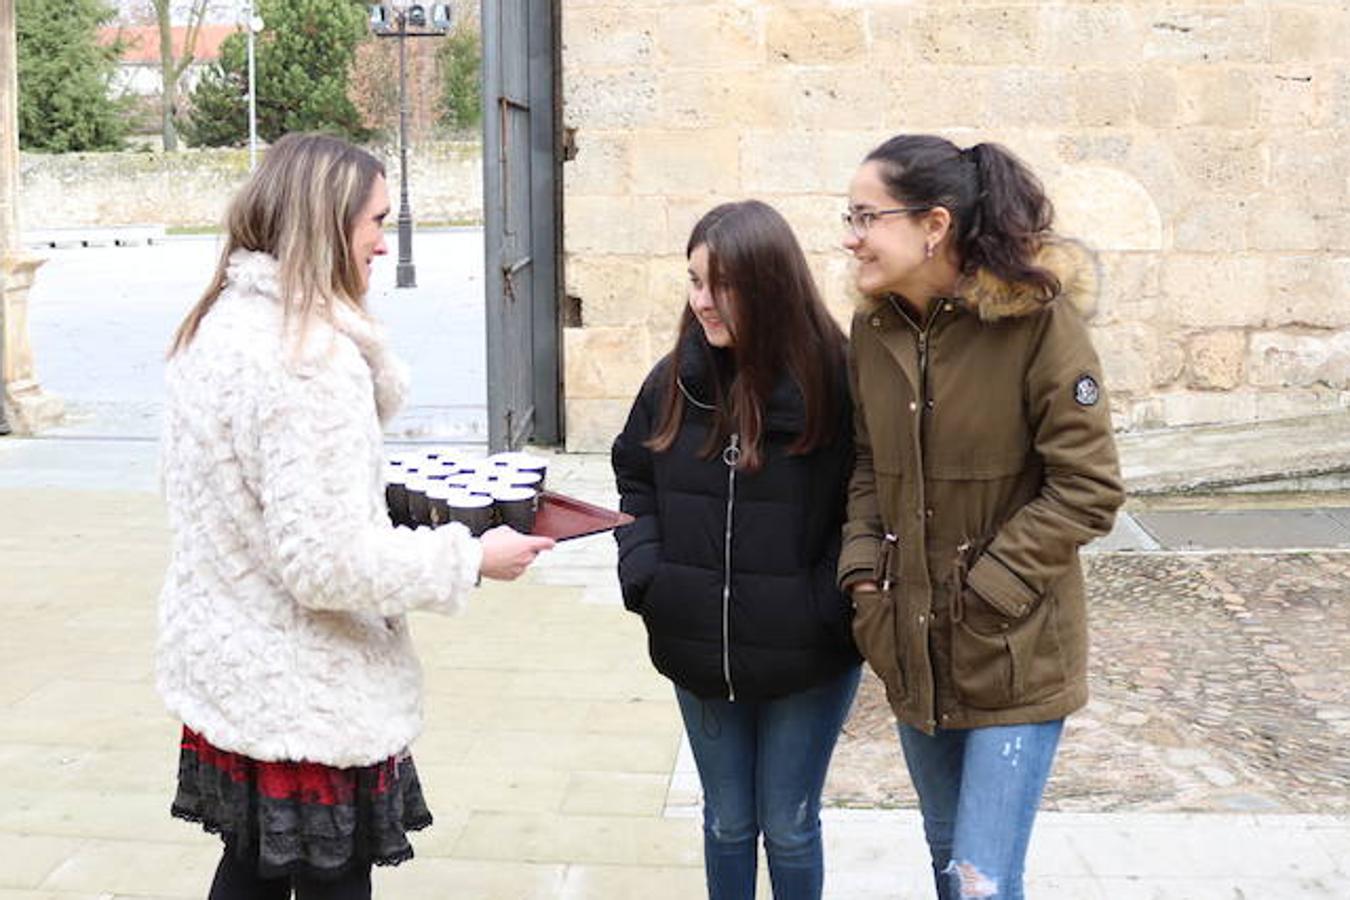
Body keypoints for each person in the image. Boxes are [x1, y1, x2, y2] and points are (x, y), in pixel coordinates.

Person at [156, 132, 554, 899]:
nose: (381, 240)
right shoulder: (310, 359)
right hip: (308, 690)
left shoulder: (216, 327)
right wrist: (470, 558)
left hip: (237, 670)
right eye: (375, 220)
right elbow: (326, 564)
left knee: (252, 874)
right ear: (326, 223)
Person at [837, 135, 1125, 900]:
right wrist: (864, 575)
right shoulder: (874, 331)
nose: (850, 235)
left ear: (933, 225)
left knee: (981, 880)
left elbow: (1089, 486)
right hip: (913, 648)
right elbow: (866, 463)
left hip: (1014, 647)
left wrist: (990, 586)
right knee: (948, 863)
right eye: (850, 216)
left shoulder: (1038, 324)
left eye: (866, 215)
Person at [612, 200, 862, 900]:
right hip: (697, 643)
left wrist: (828, 605)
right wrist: (648, 574)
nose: (701, 302)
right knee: (725, 821)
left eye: (719, 285)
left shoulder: (835, 381)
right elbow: (633, 473)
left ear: (769, 285)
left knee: (787, 824)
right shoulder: (673, 380)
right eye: (693, 281)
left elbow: (868, 498)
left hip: (807, 653)